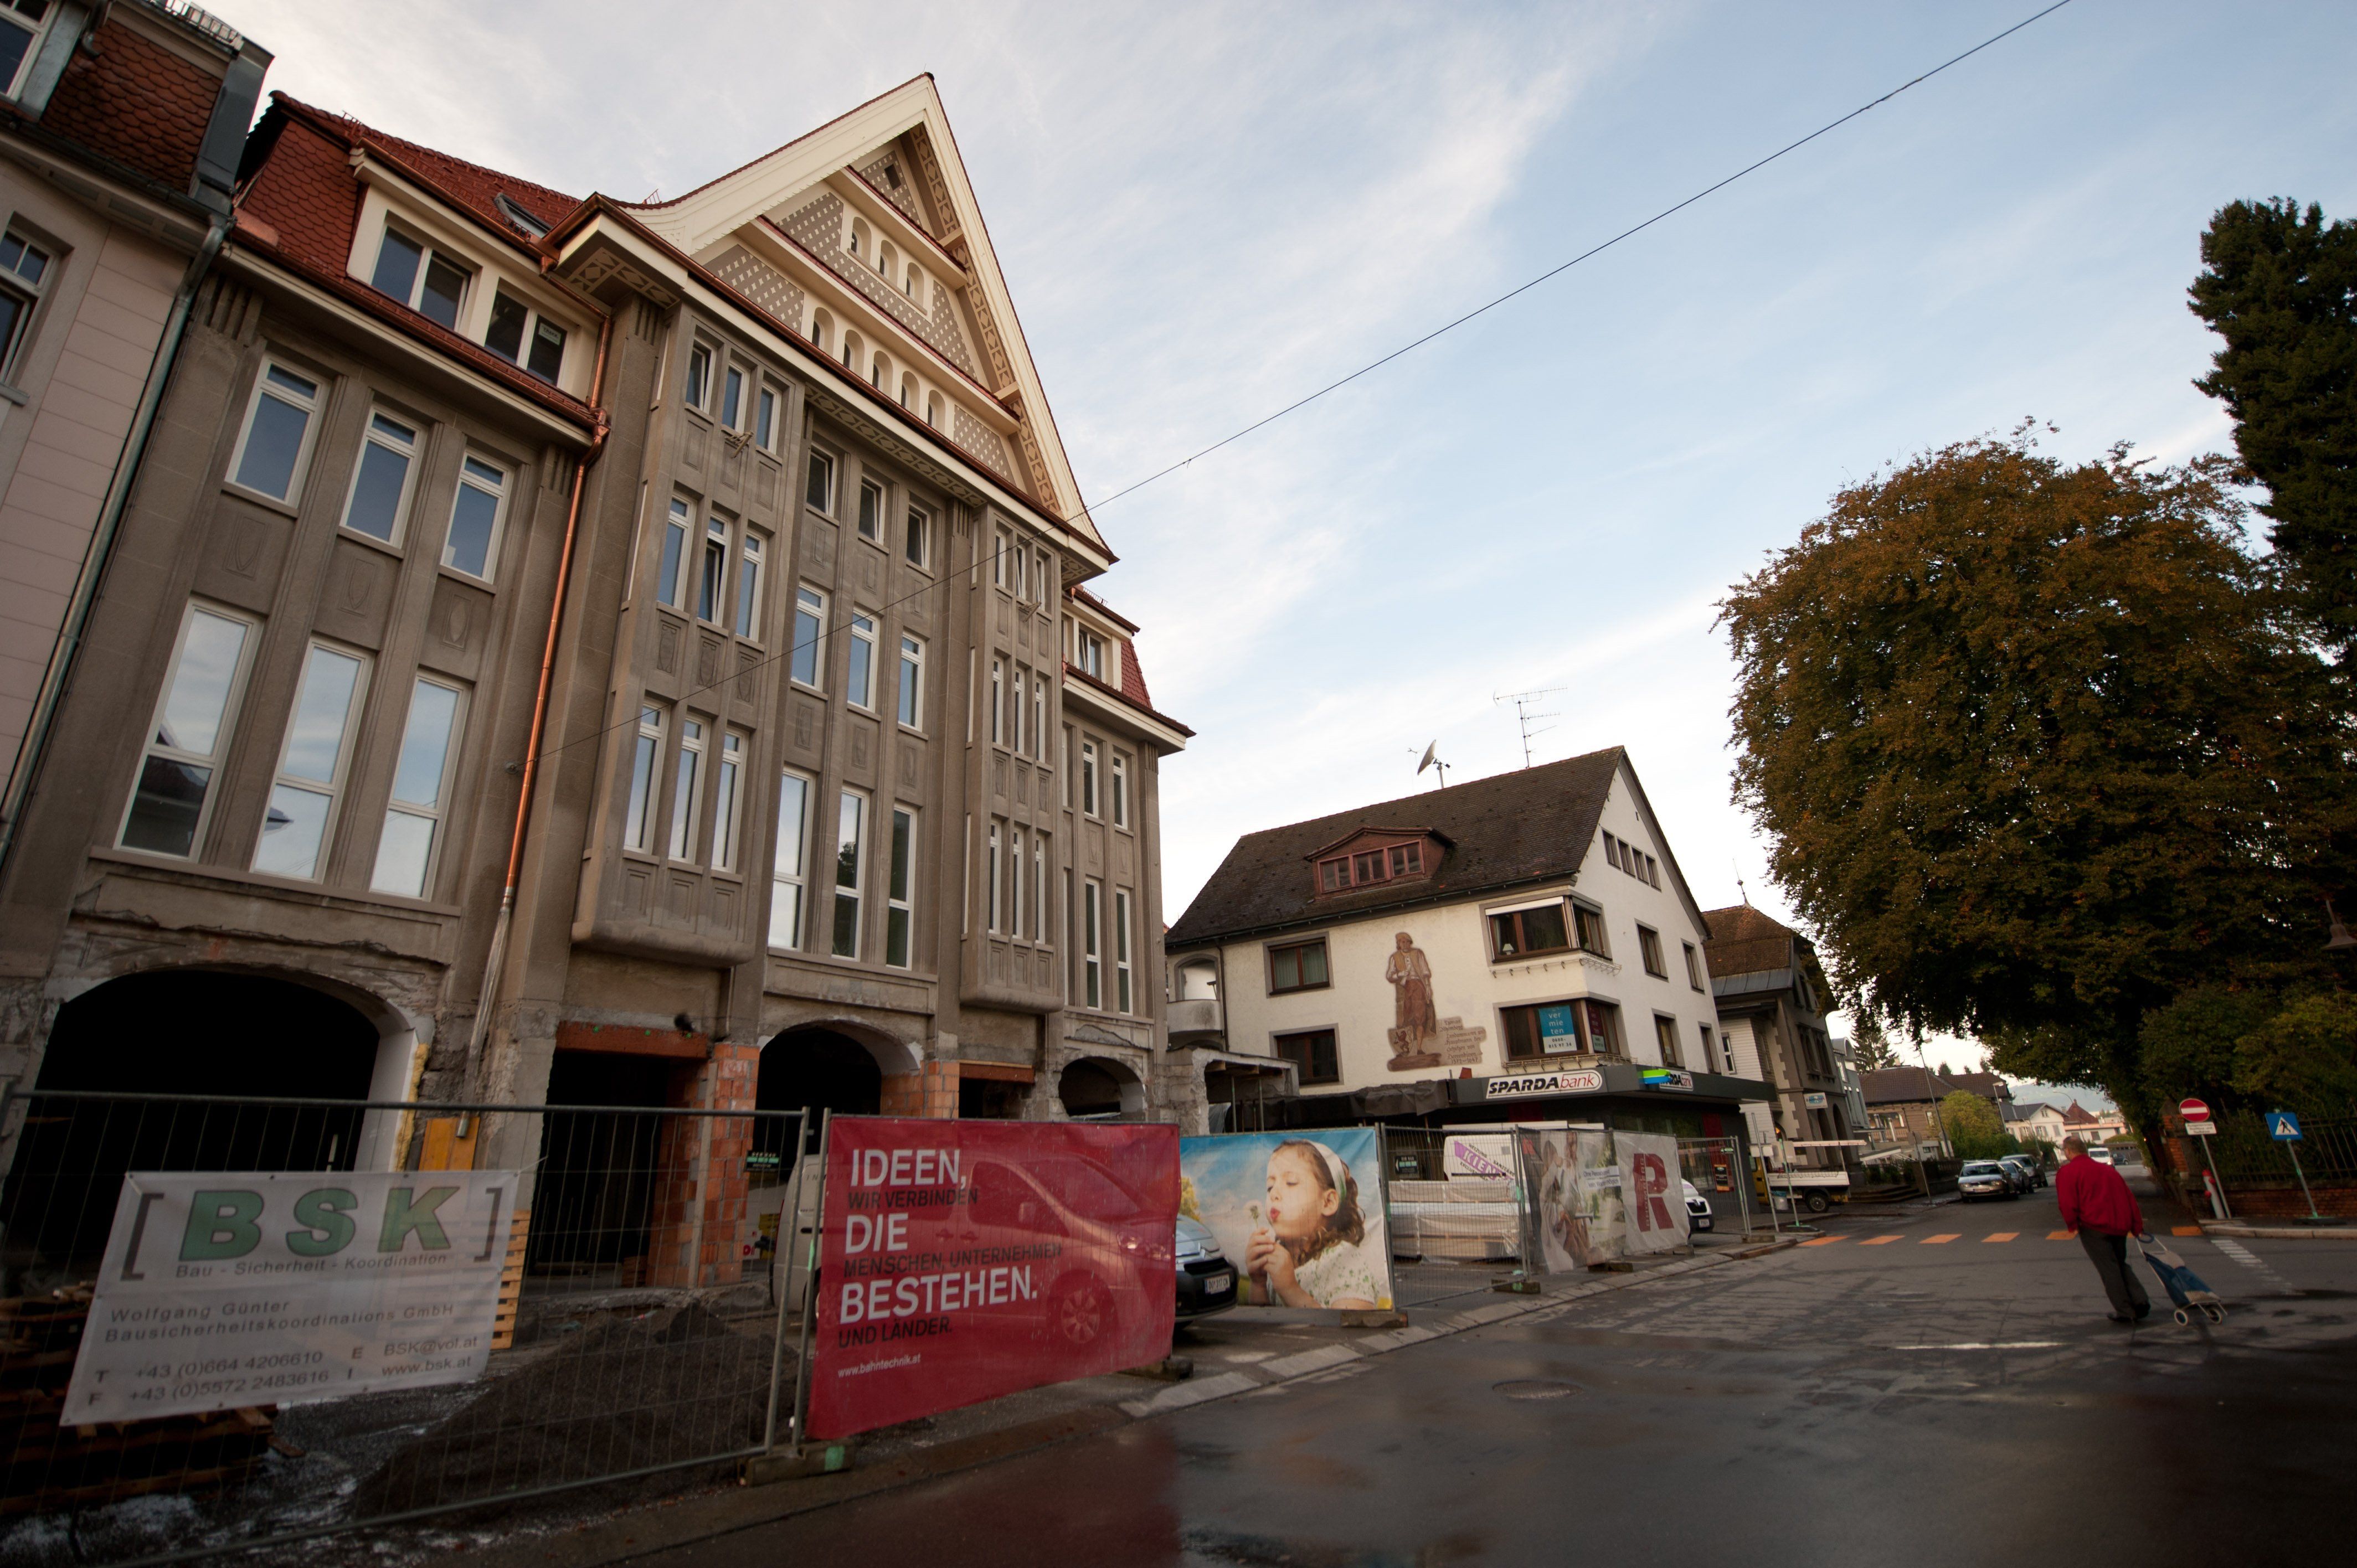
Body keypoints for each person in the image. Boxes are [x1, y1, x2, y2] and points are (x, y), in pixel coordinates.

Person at [1242, 1139, 1382, 1309]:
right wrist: (1258, 1284)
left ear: (1328, 1202)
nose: (1274, 1194)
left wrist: (1290, 1290)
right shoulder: (1279, 1260)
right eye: (1270, 1187)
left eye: (1291, 1182)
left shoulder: (1344, 1259)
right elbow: (1263, 1320)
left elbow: (1353, 1321)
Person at [2056, 1133, 2149, 1323]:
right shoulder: (2107, 1171)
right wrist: (2136, 1225)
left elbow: (2067, 1202)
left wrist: (2072, 1224)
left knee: (2108, 1268)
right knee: (2120, 1263)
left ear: (2068, 1151)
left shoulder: (2068, 1172)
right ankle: (2140, 1300)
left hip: (2093, 1227)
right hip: (2119, 1226)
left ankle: (2125, 1309)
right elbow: (2128, 1197)